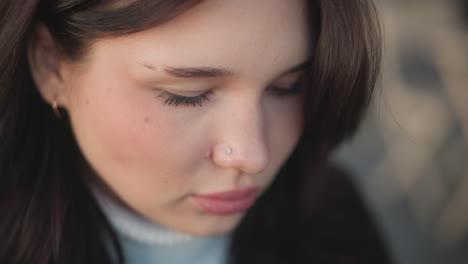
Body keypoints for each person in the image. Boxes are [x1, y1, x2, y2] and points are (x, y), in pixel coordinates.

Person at [0, 0, 390, 263]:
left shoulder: (330, 215)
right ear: (51, 66)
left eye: (286, 87)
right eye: (188, 96)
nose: (253, 155)